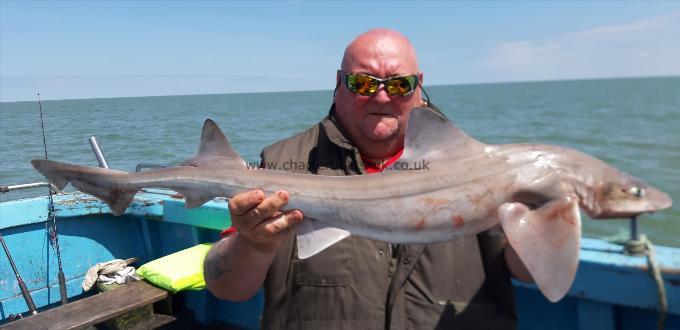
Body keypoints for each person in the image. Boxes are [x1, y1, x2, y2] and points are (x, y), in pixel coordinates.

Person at [204, 28, 532, 329]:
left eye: (399, 85)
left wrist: (547, 217)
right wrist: (253, 243)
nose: (381, 97)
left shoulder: (478, 169)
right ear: (338, 83)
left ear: (419, 85)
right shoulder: (283, 164)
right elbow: (226, 288)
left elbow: (528, 272)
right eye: (363, 84)